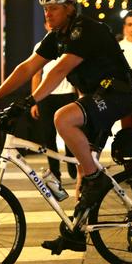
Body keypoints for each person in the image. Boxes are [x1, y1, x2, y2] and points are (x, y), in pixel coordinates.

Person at [0, 0, 132, 255]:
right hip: (96, 98)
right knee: (82, 183)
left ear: (69, 9)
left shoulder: (84, 31)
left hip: (116, 93)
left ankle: (95, 178)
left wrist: (29, 101)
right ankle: (76, 234)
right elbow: (28, 66)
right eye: (45, 9)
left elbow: (59, 70)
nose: (47, 14)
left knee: (63, 118)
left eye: (53, 8)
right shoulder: (57, 36)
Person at [31, 23, 79, 180]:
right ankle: (55, 172)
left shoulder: (70, 44)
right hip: (46, 97)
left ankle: (72, 165)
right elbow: (36, 74)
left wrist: (79, 95)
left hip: (68, 94)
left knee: (68, 134)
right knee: (48, 136)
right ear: (45, 25)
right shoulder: (40, 46)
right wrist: (34, 101)